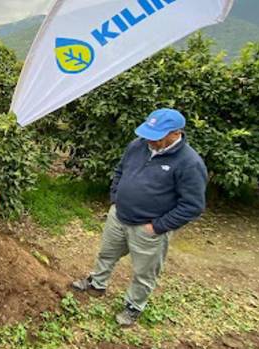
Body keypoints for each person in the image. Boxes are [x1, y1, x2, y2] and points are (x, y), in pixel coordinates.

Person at [72, 108, 208, 326]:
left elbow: (192, 206)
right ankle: (97, 283)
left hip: (148, 228)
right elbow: (120, 171)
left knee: (144, 272)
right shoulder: (138, 145)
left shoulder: (189, 163)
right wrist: (115, 198)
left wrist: (157, 226)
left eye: (156, 136)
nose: (149, 140)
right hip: (119, 216)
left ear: (175, 134)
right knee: (107, 253)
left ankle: (133, 306)